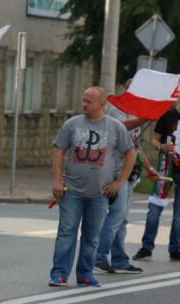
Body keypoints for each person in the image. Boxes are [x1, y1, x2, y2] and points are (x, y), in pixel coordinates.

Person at [48, 87, 135, 288]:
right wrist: (57, 181)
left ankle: (85, 274)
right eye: (83, 100)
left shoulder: (115, 127)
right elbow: (59, 150)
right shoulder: (72, 124)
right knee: (66, 232)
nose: (84, 104)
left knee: (91, 235)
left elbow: (130, 153)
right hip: (72, 191)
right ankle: (59, 274)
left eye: (89, 101)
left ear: (101, 104)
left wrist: (120, 182)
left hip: (100, 193)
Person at [94, 79, 156, 275]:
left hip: (129, 172)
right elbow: (124, 127)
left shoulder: (137, 113)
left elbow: (134, 145)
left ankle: (120, 260)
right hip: (115, 172)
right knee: (116, 216)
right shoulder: (117, 111)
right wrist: (146, 117)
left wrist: (149, 167)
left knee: (123, 219)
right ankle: (99, 257)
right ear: (128, 91)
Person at [132, 86, 180, 263]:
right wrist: (161, 147)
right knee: (154, 211)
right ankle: (146, 248)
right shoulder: (168, 116)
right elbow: (155, 139)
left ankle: (175, 249)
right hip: (165, 169)